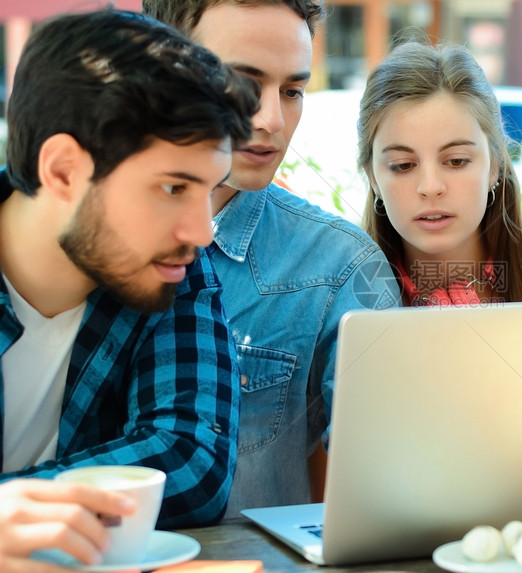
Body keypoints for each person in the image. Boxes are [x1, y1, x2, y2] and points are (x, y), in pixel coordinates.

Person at [0, 8, 258, 569]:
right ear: (65, 171)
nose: (202, 231)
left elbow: (191, 459)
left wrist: (18, 509)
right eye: (172, 187)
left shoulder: (171, 267)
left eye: (209, 190)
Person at [142, 0, 400, 516]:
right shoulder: (71, 237)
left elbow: (392, 483)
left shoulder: (339, 267)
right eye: (242, 82)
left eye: (293, 91)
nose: (272, 119)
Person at [359, 41, 522, 305]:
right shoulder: (338, 303)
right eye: (403, 165)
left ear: (495, 166)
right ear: (373, 178)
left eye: (456, 161)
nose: (430, 186)